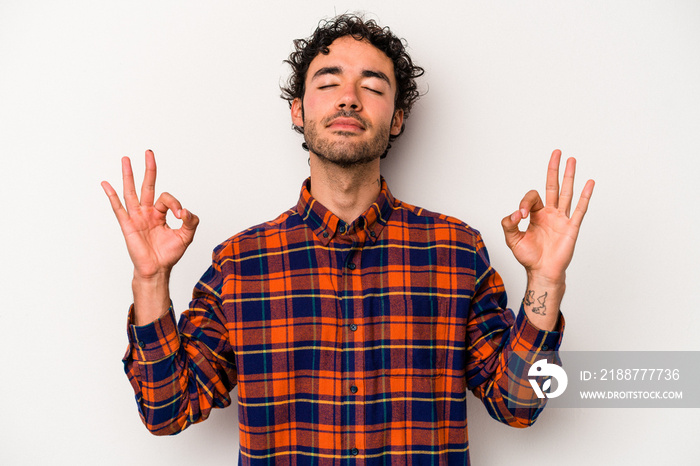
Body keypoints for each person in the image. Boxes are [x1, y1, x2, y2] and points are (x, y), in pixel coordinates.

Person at [102, 14, 594, 466]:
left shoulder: (456, 252)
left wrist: (546, 281)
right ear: (297, 111)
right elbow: (166, 411)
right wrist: (150, 280)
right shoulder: (240, 264)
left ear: (397, 118)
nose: (349, 97)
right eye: (330, 81)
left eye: (372, 85)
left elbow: (519, 404)